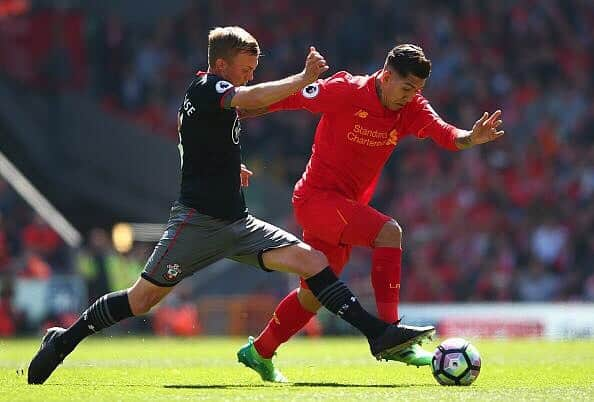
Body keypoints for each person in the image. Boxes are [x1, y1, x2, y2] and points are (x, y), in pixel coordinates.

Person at [27, 27, 435, 385]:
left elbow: (197, 136)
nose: (250, 76)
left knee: (313, 262)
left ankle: (377, 335)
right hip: (196, 224)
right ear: (221, 65)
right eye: (245, 69)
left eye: (253, 70)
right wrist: (303, 79)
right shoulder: (208, 88)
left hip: (239, 225)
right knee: (141, 301)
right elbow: (249, 98)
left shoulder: (207, 100)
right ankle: (65, 338)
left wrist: (225, 166)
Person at [237, 44, 504, 382]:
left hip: (346, 208)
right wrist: (238, 107)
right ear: (387, 76)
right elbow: (290, 98)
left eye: (418, 90)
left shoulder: (411, 107)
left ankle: (258, 352)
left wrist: (469, 138)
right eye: (407, 88)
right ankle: (393, 337)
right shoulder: (346, 90)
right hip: (316, 200)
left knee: (312, 295)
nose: (412, 96)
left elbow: (445, 133)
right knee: (389, 232)